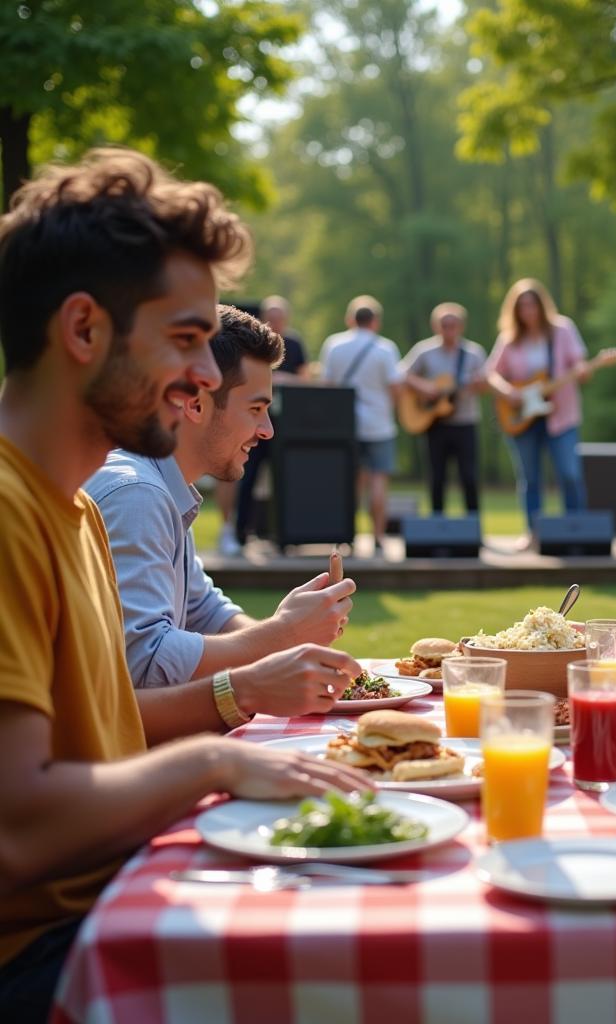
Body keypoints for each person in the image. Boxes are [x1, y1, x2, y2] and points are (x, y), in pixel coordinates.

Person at [0, 149, 369, 1022]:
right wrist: (216, 752)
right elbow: (18, 831)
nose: (208, 378)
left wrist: (238, 714)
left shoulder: (75, 510)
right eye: (187, 340)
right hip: (44, 959)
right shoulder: (14, 512)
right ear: (84, 330)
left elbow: (108, 728)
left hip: (105, 899)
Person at [85, 304, 356, 698]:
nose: (267, 430)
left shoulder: (161, 484)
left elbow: (205, 612)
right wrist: (282, 634)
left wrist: (286, 634)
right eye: (256, 409)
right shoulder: (138, 494)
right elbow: (145, 663)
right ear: (195, 403)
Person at [487, 278, 590, 544]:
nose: (528, 311)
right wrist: (509, 392)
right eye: (522, 306)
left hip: (561, 416)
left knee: (570, 474)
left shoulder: (562, 330)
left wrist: (582, 370)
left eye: (532, 304)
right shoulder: (509, 339)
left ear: (541, 305)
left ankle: (575, 531)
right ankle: (533, 533)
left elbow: (579, 363)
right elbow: (490, 374)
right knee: (530, 478)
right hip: (523, 420)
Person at [321, 295, 402, 556]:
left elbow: (328, 387)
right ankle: (378, 536)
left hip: (346, 426)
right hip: (379, 425)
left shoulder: (334, 345)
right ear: (375, 321)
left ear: (350, 319)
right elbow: (395, 387)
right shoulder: (385, 349)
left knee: (350, 484)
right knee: (379, 481)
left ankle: (349, 535)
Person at [228, 293, 310, 553]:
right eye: (270, 318)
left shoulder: (295, 343)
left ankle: (287, 535)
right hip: (253, 424)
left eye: (279, 318)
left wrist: (283, 380)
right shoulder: (251, 344)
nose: (275, 322)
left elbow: (306, 379)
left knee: (289, 479)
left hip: (288, 427)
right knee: (248, 476)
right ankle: (241, 533)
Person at [400, 302, 488, 514]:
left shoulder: (474, 353)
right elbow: (402, 374)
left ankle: (472, 525)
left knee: (469, 476)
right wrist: (426, 388)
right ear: (435, 326)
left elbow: (485, 384)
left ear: (461, 326)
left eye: (453, 323)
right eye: (444, 324)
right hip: (435, 424)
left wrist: (477, 384)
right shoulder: (424, 351)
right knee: (436, 477)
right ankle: (438, 524)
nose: (449, 328)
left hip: (465, 422)